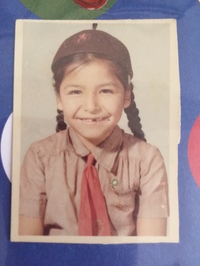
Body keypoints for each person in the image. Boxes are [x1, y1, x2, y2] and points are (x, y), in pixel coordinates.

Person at [19, 24, 169, 236]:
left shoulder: (147, 160)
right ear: (58, 98)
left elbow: (152, 250)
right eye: (75, 92)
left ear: (126, 95)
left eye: (106, 90)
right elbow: (25, 248)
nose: (91, 106)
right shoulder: (40, 158)